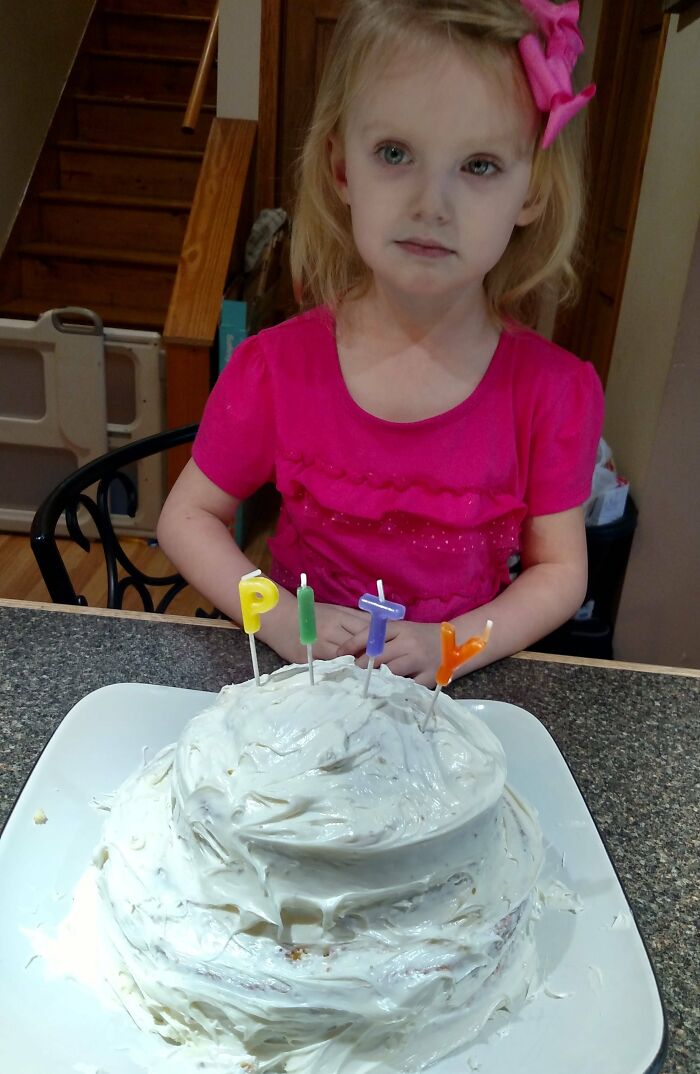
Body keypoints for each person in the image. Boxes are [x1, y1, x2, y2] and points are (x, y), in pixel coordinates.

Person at [157, 0, 604, 686]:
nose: (433, 202)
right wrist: (275, 615)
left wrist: (450, 644)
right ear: (341, 168)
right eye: (395, 153)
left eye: (479, 165)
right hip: (296, 691)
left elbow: (560, 570)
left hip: (457, 700)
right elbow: (188, 518)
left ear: (532, 193)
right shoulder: (274, 368)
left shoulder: (553, 393)